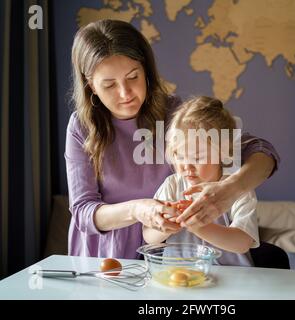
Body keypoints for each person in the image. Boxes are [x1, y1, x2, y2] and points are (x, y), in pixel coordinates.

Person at [66, 19, 280, 258]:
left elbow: (261, 150)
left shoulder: (176, 115)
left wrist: (232, 188)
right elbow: (83, 212)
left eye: (133, 77)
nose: (125, 94)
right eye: (109, 85)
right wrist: (138, 209)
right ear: (91, 86)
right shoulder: (81, 127)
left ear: (146, 70)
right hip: (105, 255)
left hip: (163, 259)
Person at [143, 96, 260, 266]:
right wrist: (164, 226)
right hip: (179, 279)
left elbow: (242, 243)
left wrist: (199, 226)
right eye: (179, 156)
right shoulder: (172, 185)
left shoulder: (236, 189)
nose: (186, 166)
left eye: (197, 158)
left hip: (232, 282)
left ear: (223, 152)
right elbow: (148, 237)